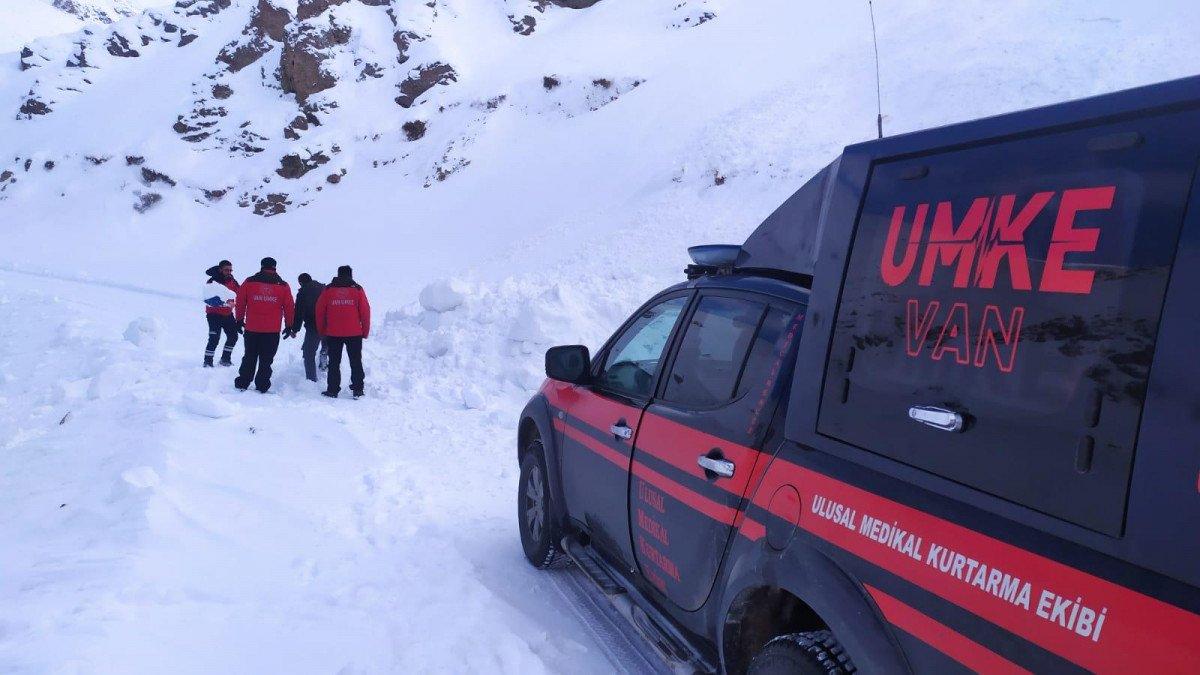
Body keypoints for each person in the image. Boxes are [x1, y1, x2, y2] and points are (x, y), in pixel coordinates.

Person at [233, 257, 296, 393]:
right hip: (272, 330)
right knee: (266, 359)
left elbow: (240, 302)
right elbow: (289, 307)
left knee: (249, 355)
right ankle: (262, 385)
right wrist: (289, 325)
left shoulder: (249, 282)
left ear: (261, 266)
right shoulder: (283, 285)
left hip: (252, 328)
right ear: (275, 267)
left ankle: (243, 382)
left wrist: (238, 319)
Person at [315, 265, 370, 399]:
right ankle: (358, 389)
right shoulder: (357, 289)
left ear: (338, 274)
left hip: (334, 333)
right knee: (356, 361)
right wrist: (365, 331)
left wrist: (321, 330)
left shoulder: (328, 290)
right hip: (354, 333)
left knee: (334, 362)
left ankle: (333, 390)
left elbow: (319, 311)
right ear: (351, 275)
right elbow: (365, 311)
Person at [202, 260, 239, 367]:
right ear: (220, 269)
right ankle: (208, 362)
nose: (229, 272)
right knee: (214, 338)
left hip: (228, 315)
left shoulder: (233, 281)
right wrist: (225, 303)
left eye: (230, 270)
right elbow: (208, 300)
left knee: (233, 336)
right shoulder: (212, 282)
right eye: (226, 270)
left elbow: (239, 292)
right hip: (213, 315)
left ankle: (225, 359)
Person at [294, 272, 329, 382]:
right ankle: (325, 350)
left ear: (300, 282)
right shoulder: (324, 288)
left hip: (313, 326)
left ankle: (311, 380)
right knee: (325, 341)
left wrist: (295, 329)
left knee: (308, 353)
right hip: (329, 324)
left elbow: (298, 313)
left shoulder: (303, 292)